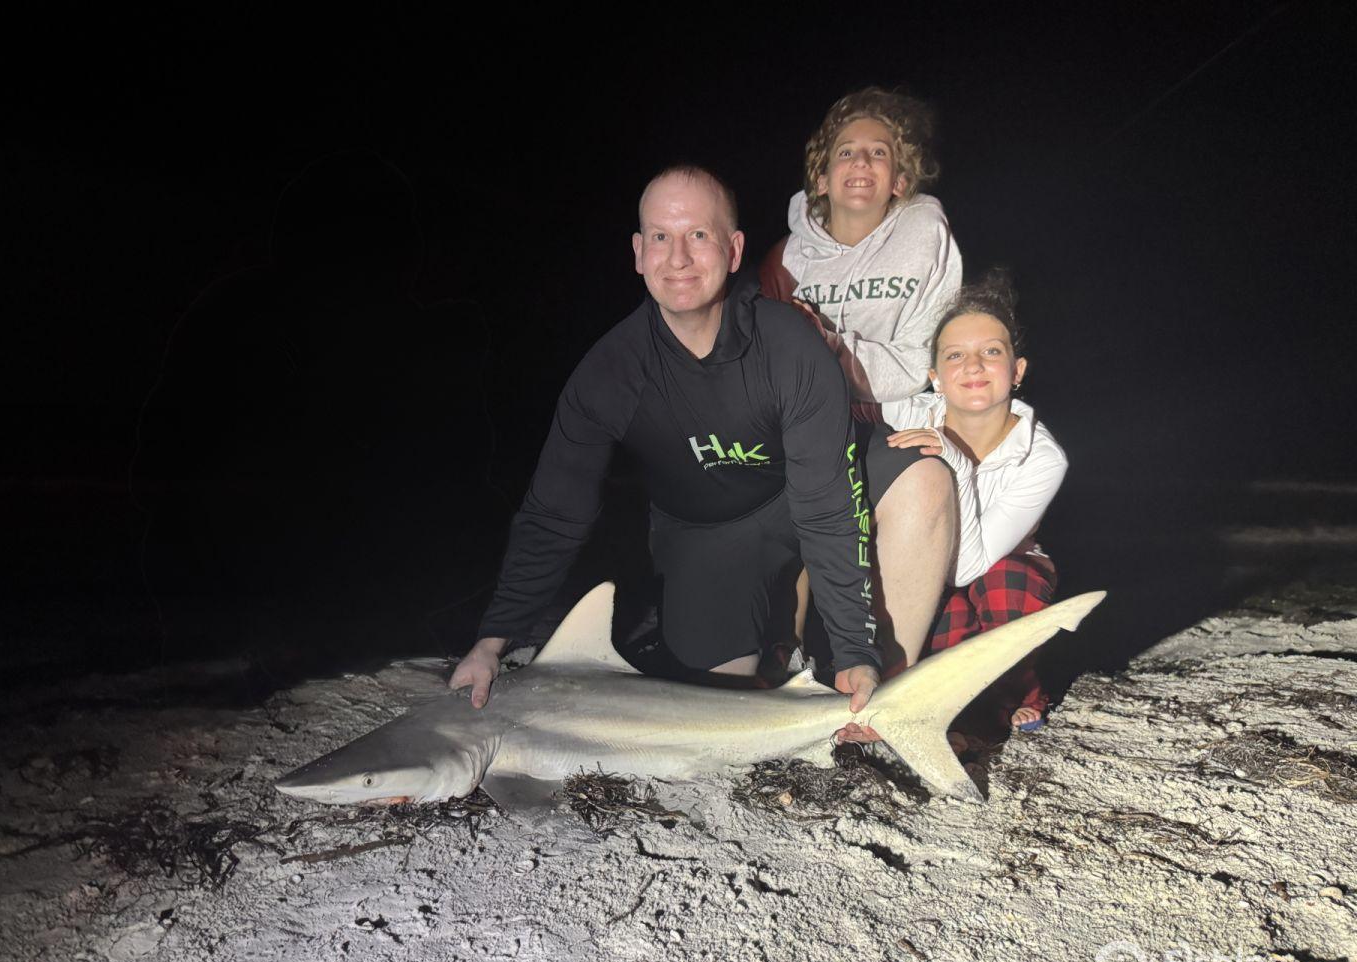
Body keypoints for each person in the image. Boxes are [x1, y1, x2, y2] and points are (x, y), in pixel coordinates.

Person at [450, 166, 880, 715]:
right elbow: (555, 514)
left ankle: (886, 680)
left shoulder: (790, 345)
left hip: (802, 498)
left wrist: (854, 650)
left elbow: (827, 508)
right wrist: (492, 641)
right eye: (660, 237)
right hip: (710, 535)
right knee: (713, 705)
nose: (677, 258)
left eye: (698, 235)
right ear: (637, 252)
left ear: (733, 250)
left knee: (912, 472)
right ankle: (779, 619)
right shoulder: (610, 374)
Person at [760, 87, 963, 676]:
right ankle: (783, 658)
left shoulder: (927, 237)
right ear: (820, 177)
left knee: (927, 482)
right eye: (847, 153)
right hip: (801, 428)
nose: (862, 164)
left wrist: (830, 353)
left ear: (900, 179)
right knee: (781, 479)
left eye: (879, 154)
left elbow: (926, 355)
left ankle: (892, 676)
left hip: (886, 417)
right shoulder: (784, 261)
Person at [882, 274, 1067, 733]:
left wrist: (955, 463)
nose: (973, 366)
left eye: (991, 352)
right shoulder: (901, 413)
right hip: (922, 558)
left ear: (1017, 371)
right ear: (935, 378)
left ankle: (1020, 690)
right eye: (955, 355)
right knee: (947, 641)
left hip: (1000, 561)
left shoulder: (1043, 457)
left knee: (1007, 589)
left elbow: (968, 566)